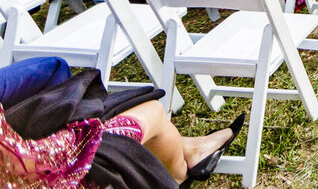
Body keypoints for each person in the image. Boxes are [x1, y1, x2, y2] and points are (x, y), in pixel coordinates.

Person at [0, 57, 241, 187]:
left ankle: (187, 149)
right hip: (52, 171)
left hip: (29, 157)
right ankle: (181, 170)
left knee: (60, 77)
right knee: (152, 110)